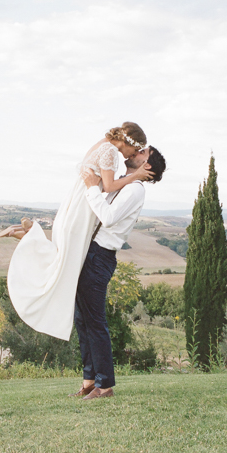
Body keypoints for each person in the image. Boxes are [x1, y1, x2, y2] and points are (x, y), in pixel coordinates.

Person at [3, 122, 151, 340]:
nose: (134, 154)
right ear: (129, 142)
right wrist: (136, 176)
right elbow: (109, 187)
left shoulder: (101, 144)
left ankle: (31, 236)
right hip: (83, 211)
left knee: (63, 258)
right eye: (136, 149)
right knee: (66, 264)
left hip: (72, 207)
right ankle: (31, 238)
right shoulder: (111, 151)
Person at [70, 145, 166, 400]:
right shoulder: (126, 184)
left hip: (100, 256)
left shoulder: (134, 189)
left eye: (141, 152)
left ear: (148, 165)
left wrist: (92, 187)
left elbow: (108, 216)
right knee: (83, 320)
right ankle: (89, 381)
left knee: (95, 321)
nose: (135, 152)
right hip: (92, 252)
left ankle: (105, 386)